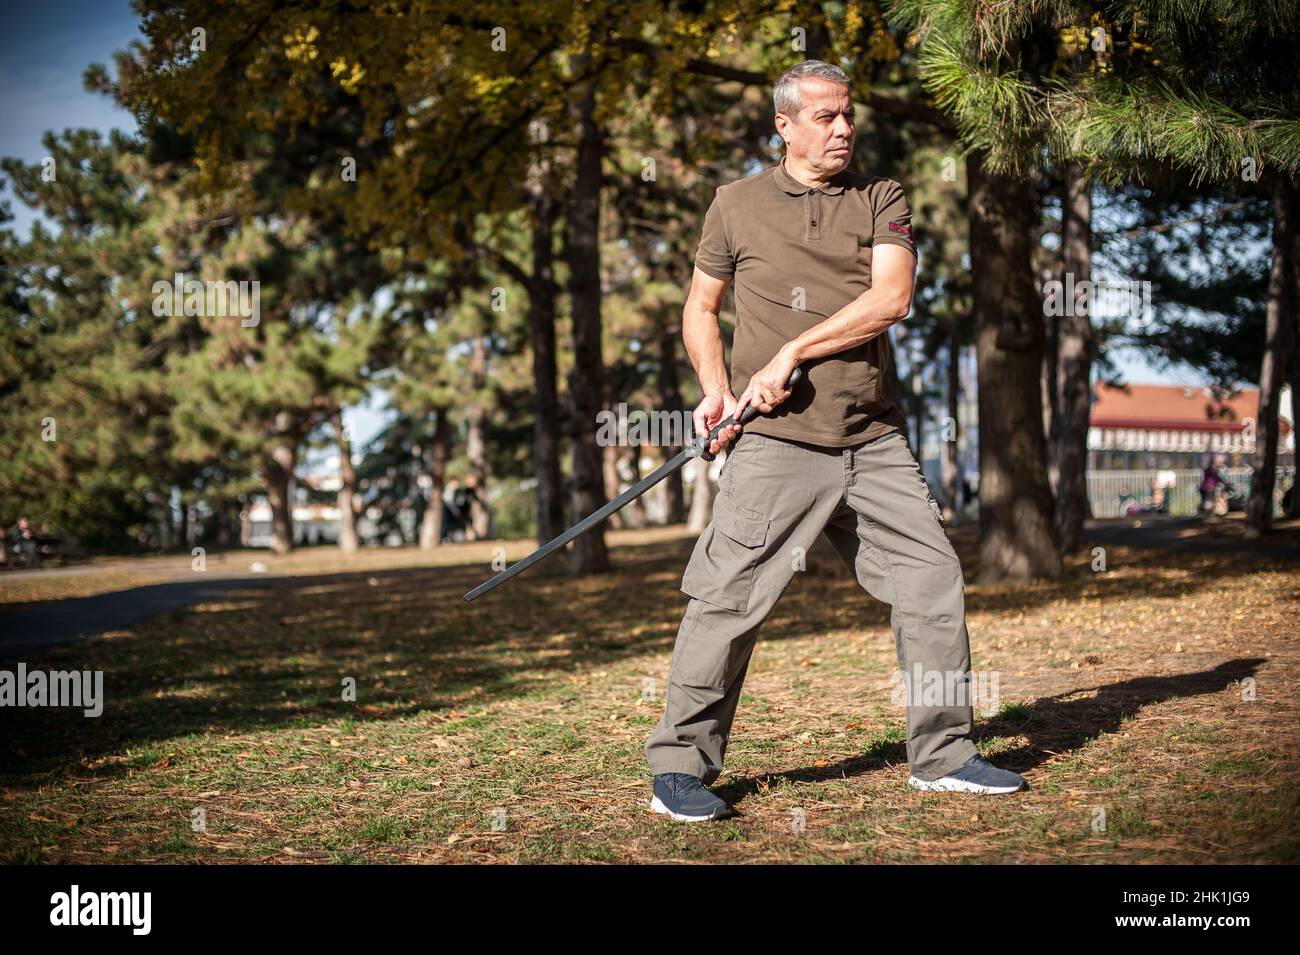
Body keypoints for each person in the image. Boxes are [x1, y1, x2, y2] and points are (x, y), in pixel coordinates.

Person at [645, 60, 1024, 823]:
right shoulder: (735, 204)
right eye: (826, 116)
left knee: (930, 579)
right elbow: (700, 306)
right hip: (774, 441)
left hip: (872, 437)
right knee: (727, 600)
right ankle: (679, 767)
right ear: (784, 126)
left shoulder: (880, 197)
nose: (844, 128)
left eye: (849, 114)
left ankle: (943, 754)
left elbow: (892, 297)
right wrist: (715, 387)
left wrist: (791, 351)